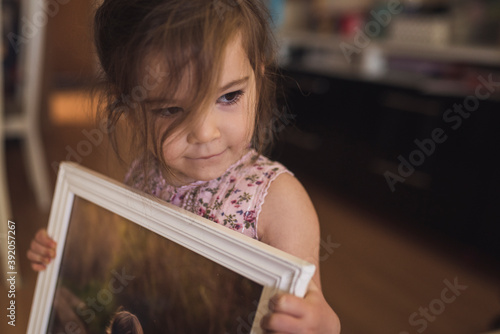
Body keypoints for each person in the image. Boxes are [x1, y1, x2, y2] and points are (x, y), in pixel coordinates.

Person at [27, 0, 341, 332]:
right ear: (132, 109)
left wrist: (319, 324)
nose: (206, 133)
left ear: (257, 81)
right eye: (171, 110)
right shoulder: (143, 175)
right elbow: (124, 268)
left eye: (229, 96)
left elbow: (314, 309)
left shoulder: (280, 202)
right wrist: (64, 254)